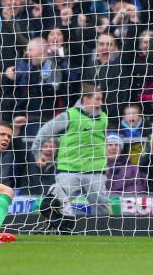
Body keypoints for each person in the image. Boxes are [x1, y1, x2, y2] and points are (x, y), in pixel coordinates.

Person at [32, 84, 110, 216]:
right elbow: (44, 131)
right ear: (86, 99)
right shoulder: (69, 115)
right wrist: (37, 153)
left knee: (102, 207)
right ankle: (64, 227)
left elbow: (104, 141)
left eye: (101, 99)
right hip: (69, 169)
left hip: (95, 170)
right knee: (58, 201)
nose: (100, 103)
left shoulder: (104, 118)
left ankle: (104, 231)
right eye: (97, 99)